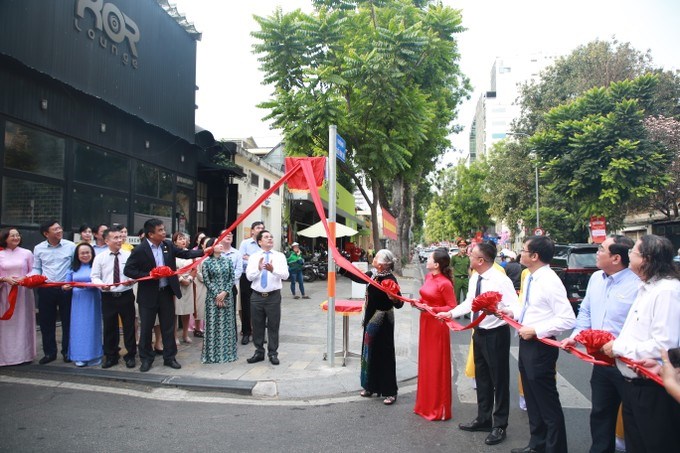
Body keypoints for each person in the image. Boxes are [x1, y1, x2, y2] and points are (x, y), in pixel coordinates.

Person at [560, 235, 638, 453]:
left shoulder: (638, 284)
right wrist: (576, 337)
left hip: (629, 364)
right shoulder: (596, 278)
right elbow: (585, 311)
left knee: (634, 419)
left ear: (616, 258)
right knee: (601, 413)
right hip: (602, 363)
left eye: (601, 249)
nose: (597, 253)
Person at [601, 235, 680, 453]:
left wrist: (619, 348)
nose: (629, 256)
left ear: (646, 259)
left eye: (633, 252)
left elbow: (665, 346)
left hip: (653, 387)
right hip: (633, 384)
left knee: (655, 444)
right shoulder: (646, 287)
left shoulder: (667, 291)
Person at [437, 241, 518, 445]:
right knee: (482, 378)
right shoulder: (475, 277)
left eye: (472, 255)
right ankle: (483, 419)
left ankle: (500, 425)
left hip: (496, 334)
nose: (468, 257)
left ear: (481, 260)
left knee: (499, 381)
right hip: (479, 332)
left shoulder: (501, 280)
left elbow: (515, 307)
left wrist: (504, 311)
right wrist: (451, 313)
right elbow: (470, 303)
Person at [502, 236, 576, 453]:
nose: (520, 254)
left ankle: (555, 448)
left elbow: (567, 318)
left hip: (541, 346)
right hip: (527, 343)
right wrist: (511, 312)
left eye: (524, 250)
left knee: (546, 402)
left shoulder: (549, 281)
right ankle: (537, 444)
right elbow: (528, 308)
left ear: (534, 256)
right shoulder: (530, 277)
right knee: (532, 399)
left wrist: (536, 330)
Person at [123, 218, 205, 372]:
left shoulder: (167, 245)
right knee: (146, 328)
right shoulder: (140, 250)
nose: (164, 232)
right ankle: (146, 359)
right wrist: (149, 274)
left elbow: (185, 253)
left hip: (166, 292)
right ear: (150, 234)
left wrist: (203, 252)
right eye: (160, 230)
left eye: (163, 229)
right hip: (148, 295)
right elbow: (128, 270)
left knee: (168, 326)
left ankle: (170, 357)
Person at [343, 249, 403, 405]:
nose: (374, 259)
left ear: (383, 264)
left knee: (384, 354)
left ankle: (390, 391)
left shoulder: (390, 280)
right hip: (370, 319)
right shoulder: (373, 274)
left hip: (383, 321)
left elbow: (400, 303)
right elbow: (359, 277)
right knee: (369, 353)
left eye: (376, 258)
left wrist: (393, 298)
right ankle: (370, 386)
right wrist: (343, 267)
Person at [414, 248, 456, 420]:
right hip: (425, 322)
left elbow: (452, 307)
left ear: (437, 264)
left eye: (430, 259)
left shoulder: (445, 283)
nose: (427, 260)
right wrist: (418, 303)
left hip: (437, 324)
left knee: (435, 364)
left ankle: (438, 407)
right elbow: (425, 298)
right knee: (426, 363)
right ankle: (424, 404)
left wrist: (432, 309)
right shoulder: (428, 277)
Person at [91, 225, 137, 369]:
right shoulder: (100, 258)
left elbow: (135, 272)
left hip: (126, 295)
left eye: (120, 237)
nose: (119, 240)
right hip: (108, 296)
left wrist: (132, 280)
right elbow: (94, 276)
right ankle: (111, 356)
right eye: (115, 238)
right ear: (106, 241)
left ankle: (130, 355)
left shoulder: (129, 255)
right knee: (110, 327)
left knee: (129, 327)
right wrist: (101, 285)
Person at [32, 220, 76, 364]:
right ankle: (49, 353)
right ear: (46, 233)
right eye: (55, 229)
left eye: (59, 228)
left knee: (68, 321)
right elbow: (37, 268)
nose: (59, 231)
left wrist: (71, 282)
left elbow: (74, 267)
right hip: (46, 289)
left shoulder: (71, 246)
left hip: (65, 289)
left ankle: (67, 351)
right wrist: (31, 278)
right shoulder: (38, 248)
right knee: (46, 323)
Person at [245, 230, 288, 365]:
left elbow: (285, 275)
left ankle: (273, 353)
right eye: (266, 237)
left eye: (271, 237)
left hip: (273, 296)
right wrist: (258, 269)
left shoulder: (280, 256)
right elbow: (249, 277)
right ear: (259, 242)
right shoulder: (254, 257)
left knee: (273, 325)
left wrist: (273, 270)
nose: (270, 239)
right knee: (257, 325)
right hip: (256, 295)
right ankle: (259, 351)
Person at [0, 228, 36, 366]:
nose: (16, 238)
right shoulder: (0, 254)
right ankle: (5, 356)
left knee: (23, 322)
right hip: (5, 292)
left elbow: (34, 270)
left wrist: (24, 278)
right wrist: (4, 279)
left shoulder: (27, 253)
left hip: (23, 293)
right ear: (5, 238)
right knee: (6, 324)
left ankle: (24, 355)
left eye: (17, 235)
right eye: (12, 236)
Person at [62, 242, 102, 367]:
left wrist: (87, 285)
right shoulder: (72, 268)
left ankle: (94, 355)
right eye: (82, 253)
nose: (85, 255)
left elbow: (101, 282)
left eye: (87, 252)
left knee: (93, 327)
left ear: (92, 254)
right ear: (77, 255)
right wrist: (66, 287)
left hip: (93, 299)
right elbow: (65, 284)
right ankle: (79, 356)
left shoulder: (96, 266)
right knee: (78, 328)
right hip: (77, 301)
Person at [201, 238, 238, 363]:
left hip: (227, 296)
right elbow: (207, 280)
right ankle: (211, 355)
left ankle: (228, 354)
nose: (221, 245)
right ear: (211, 247)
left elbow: (231, 278)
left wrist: (225, 292)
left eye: (220, 243)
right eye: (217, 243)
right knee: (213, 325)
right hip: (212, 298)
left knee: (228, 325)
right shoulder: (206, 263)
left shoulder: (228, 261)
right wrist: (217, 295)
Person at [238, 221, 265, 345]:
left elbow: (266, 262)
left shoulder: (264, 244)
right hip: (246, 277)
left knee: (260, 306)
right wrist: (256, 263)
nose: (260, 229)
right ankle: (246, 332)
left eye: (262, 228)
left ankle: (259, 333)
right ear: (252, 230)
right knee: (246, 305)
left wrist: (250, 259)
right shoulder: (245, 243)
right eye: (258, 227)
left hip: (261, 277)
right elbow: (241, 260)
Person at [172, 232, 196, 345]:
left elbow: (194, 268)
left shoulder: (190, 253)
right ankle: (174, 336)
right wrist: (181, 279)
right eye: (180, 239)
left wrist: (189, 279)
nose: (183, 241)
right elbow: (172, 269)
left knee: (187, 311)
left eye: (184, 239)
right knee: (175, 311)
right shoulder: (172, 254)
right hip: (176, 284)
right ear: (174, 242)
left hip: (189, 284)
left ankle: (185, 334)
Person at [220, 230, 243, 323]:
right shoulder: (216, 252)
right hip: (217, 287)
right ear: (220, 238)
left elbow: (238, 270)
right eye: (226, 234)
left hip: (231, 287)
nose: (228, 236)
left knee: (230, 314)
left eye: (230, 234)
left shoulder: (237, 253)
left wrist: (228, 283)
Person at [451, 240, 470, 304]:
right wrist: (452, 278)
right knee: (456, 297)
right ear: (458, 248)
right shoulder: (454, 257)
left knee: (467, 296)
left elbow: (469, 269)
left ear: (466, 247)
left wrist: (471, 278)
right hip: (457, 279)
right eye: (461, 247)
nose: (463, 248)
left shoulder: (468, 258)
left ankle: (466, 310)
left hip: (465, 279)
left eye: (464, 247)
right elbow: (451, 268)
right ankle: (456, 310)